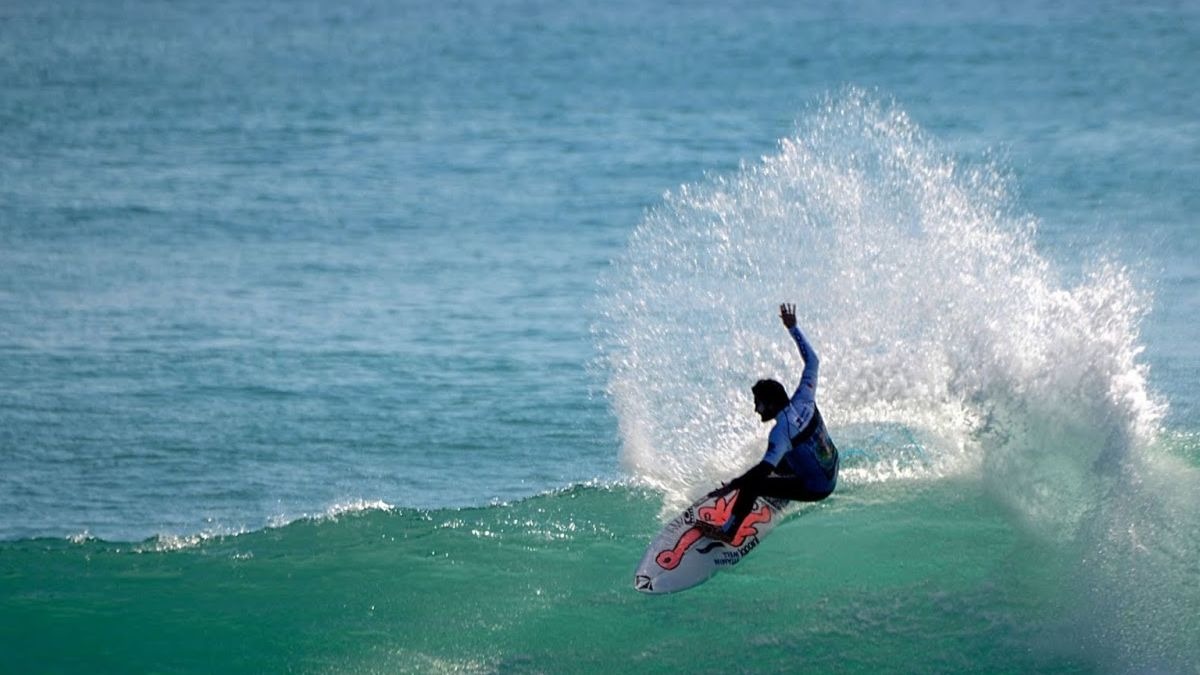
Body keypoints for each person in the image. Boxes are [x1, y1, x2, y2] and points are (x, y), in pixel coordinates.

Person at [696, 303, 839, 543]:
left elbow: (760, 473)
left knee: (753, 484)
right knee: (780, 460)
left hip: (819, 488)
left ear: (771, 404)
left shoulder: (780, 433)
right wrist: (793, 328)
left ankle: (727, 532)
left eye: (759, 403)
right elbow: (813, 362)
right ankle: (785, 482)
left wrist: (732, 486)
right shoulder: (805, 396)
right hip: (833, 467)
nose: (755, 408)